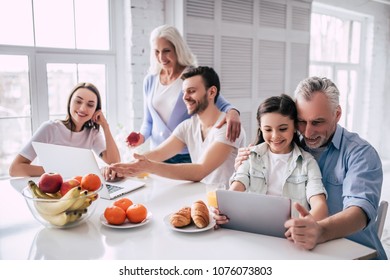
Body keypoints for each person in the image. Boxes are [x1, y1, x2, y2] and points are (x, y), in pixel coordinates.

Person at [235, 77, 387, 259]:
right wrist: (243, 166)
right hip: (300, 251)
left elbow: (359, 213)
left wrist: (321, 231)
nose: (307, 132)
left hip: (355, 255)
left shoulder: (361, 154)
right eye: (301, 122)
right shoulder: (289, 145)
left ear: (337, 114)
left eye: (317, 122)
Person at [108, 66, 246, 186]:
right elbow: (158, 153)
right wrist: (123, 167)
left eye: (191, 91)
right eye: (184, 92)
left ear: (211, 92)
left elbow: (200, 170)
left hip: (226, 204)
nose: (185, 97)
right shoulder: (187, 126)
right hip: (201, 197)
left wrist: (149, 167)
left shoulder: (228, 127)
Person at [127, 24, 241, 163]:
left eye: (166, 51)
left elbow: (221, 102)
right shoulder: (150, 80)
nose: (161, 57)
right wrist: (141, 137)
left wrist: (233, 113)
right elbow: (148, 121)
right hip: (158, 153)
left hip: (186, 154)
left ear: (177, 49)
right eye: (156, 51)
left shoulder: (191, 77)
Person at [214, 94, 328, 228]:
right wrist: (220, 211)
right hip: (253, 229)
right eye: (268, 129)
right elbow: (236, 188)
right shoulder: (251, 156)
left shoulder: (307, 163)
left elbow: (320, 205)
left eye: (283, 129)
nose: (275, 136)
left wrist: (305, 225)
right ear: (261, 128)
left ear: (295, 127)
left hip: (291, 235)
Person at [9, 82, 120, 177]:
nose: (82, 108)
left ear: (96, 110)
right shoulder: (50, 128)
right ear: (69, 103)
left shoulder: (92, 133)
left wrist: (105, 126)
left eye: (90, 105)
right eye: (78, 101)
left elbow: (115, 162)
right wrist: (58, 171)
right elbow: (15, 169)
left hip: (79, 189)